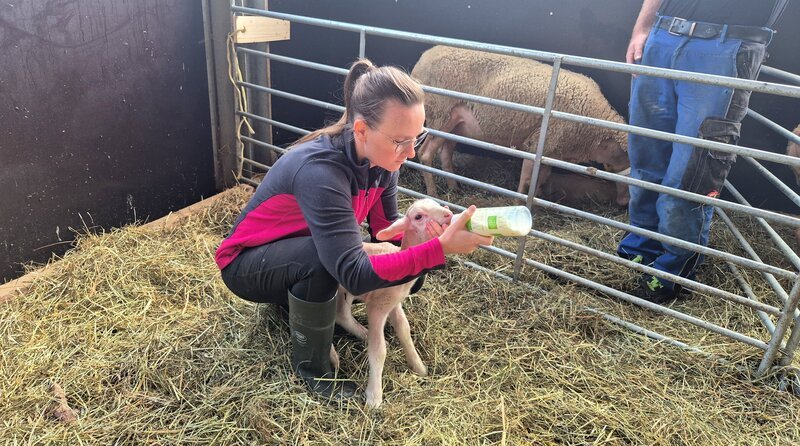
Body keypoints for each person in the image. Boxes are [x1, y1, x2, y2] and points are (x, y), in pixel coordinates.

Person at [215, 59, 494, 402]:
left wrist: (425, 239)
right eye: (400, 141)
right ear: (361, 130)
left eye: (418, 137)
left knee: (375, 260)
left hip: (297, 250)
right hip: (246, 266)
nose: (412, 153)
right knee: (325, 260)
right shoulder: (322, 173)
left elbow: (383, 234)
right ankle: (314, 371)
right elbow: (355, 275)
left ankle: (303, 305)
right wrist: (438, 251)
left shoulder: (382, 165)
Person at [618, 0, 789, 304]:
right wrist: (643, 27)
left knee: (691, 170)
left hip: (729, 43)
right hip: (664, 32)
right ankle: (640, 251)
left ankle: (672, 272)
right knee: (646, 155)